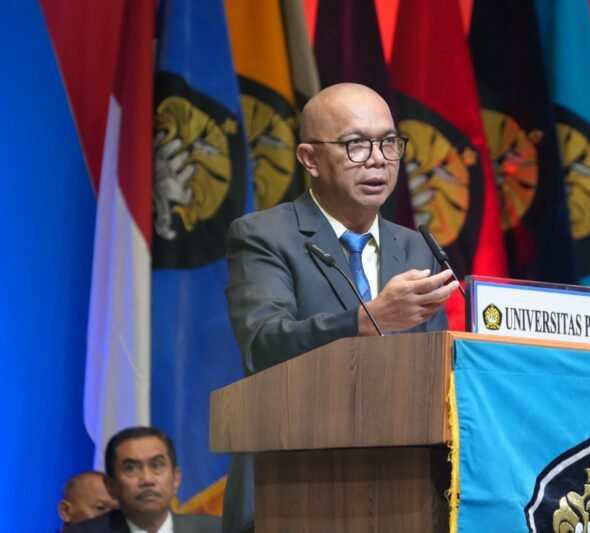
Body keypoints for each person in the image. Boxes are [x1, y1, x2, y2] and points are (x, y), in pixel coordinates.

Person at [222, 82, 459, 531]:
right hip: (292, 484)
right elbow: (263, 344)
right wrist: (367, 320)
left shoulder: (416, 248)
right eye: (356, 145)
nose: (378, 159)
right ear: (309, 158)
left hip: (401, 489)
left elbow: (437, 371)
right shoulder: (263, 235)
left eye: (388, 143)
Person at [64, 427, 220, 533]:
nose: (147, 479)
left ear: (176, 478)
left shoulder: (219, 529)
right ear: (110, 486)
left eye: (157, 465)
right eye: (131, 468)